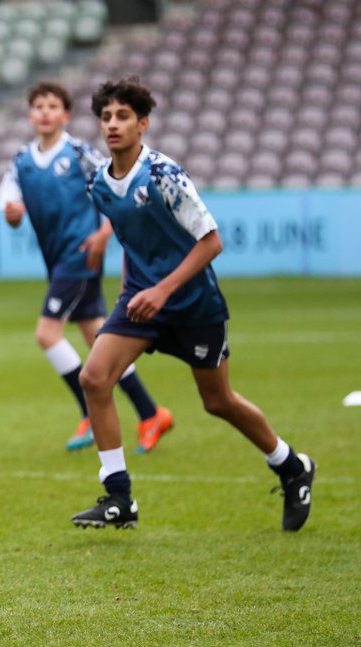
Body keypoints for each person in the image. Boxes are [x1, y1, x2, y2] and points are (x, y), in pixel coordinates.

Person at [73, 76, 315, 531]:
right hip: (140, 301)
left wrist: (162, 290)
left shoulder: (164, 174)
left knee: (217, 401)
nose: (112, 124)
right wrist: (133, 294)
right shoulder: (100, 186)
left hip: (193, 304)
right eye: (105, 117)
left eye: (123, 116)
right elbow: (133, 242)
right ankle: (118, 496)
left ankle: (290, 466)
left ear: (143, 123)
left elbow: (211, 241)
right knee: (95, 377)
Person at [0, 81, 173, 454]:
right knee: (97, 338)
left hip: (79, 257)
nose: (45, 112)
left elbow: (115, 190)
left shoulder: (80, 153)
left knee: (47, 334)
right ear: (31, 115)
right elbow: (11, 211)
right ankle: (151, 413)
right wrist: (12, 214)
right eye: (38, 106)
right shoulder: (20, 161)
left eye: (52, 106)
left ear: (65, 115)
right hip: (56, 259)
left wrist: (104, 233)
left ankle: (89, 412)